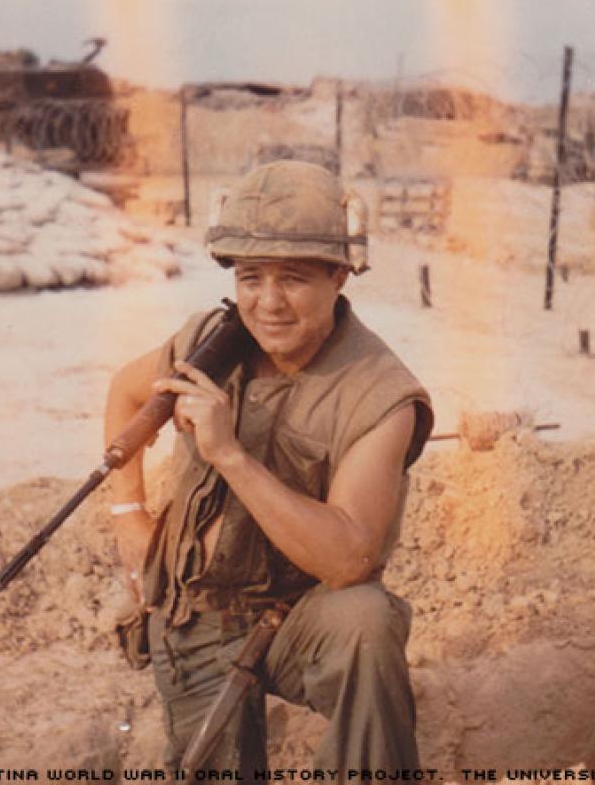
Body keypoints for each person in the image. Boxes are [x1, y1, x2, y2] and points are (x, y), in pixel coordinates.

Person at [105, 160, 434, 781]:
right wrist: (128, 515)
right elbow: (126, 396)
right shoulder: (210, 341)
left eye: (295, 278)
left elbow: (349, 559)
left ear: (340, 276)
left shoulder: (379, 394)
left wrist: (230, 453)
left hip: (300, 621)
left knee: (366, 620)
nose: (269, 302)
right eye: (251, 278)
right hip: (194, 617)